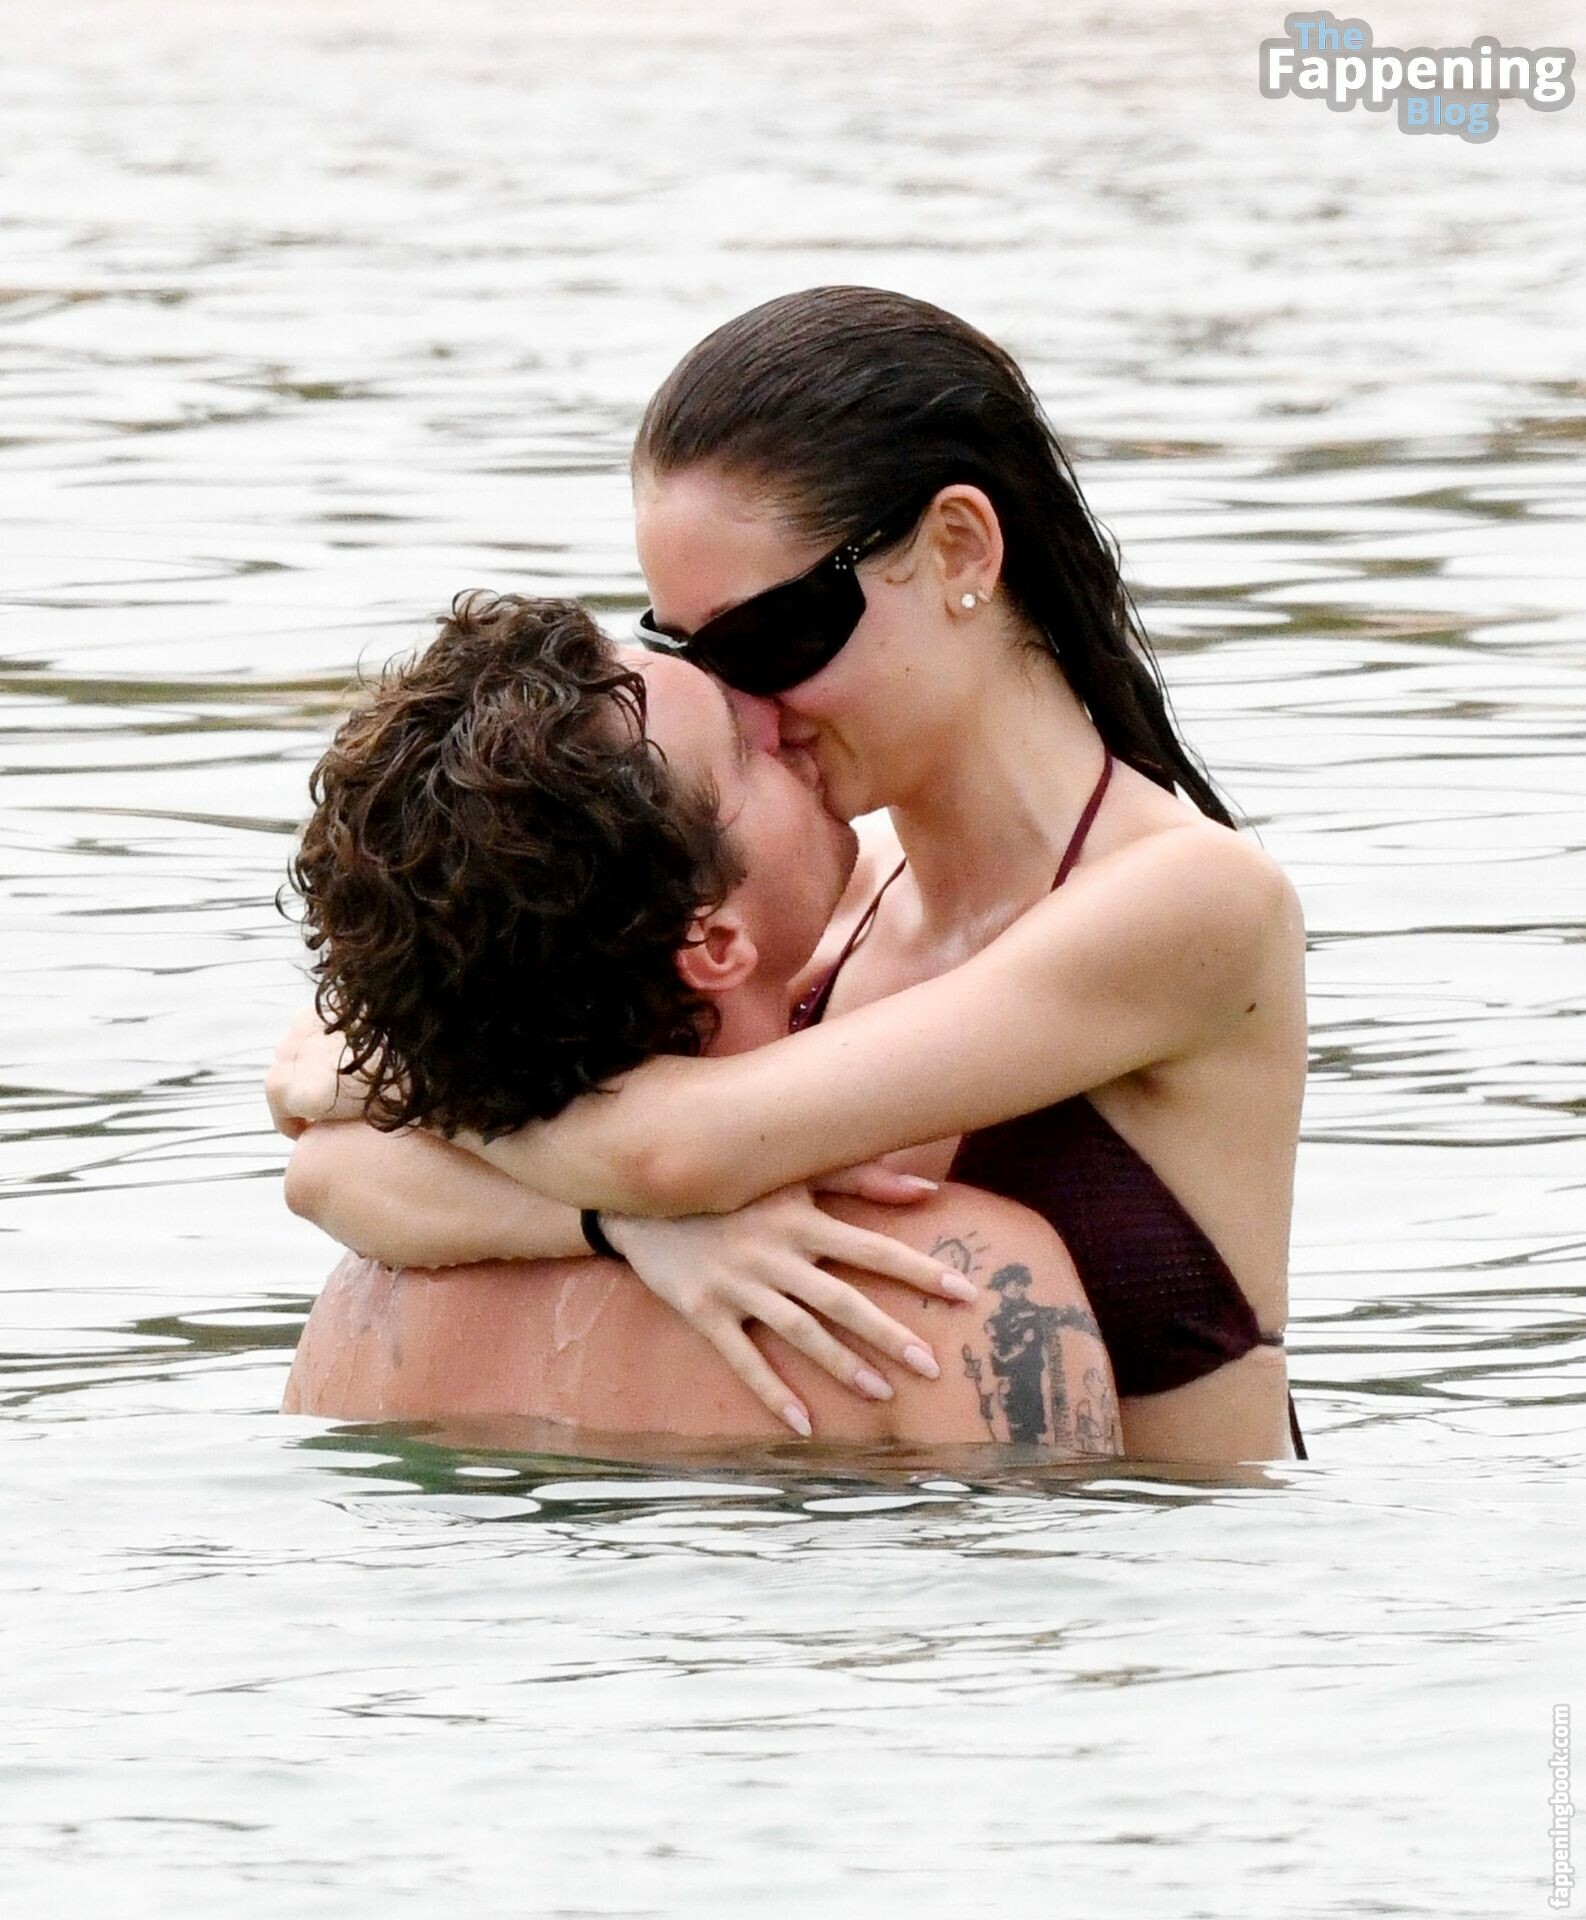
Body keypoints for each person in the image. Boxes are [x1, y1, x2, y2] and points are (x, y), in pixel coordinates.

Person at [276, 286, 1308, 1465]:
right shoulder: (812, 904)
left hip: (1159, 1583)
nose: (747, 707)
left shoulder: (1187, 902)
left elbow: (668, 1147)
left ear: (958, 549)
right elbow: (325, 1147)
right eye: (687, 654)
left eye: (765, 639)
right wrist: (621, 1228)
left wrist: (464, 1116)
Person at [279, 592, 1120, 1453]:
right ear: (715, 945)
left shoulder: (361, 1299)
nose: (775, 716)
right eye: (742, 754)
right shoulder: (959, 1295)